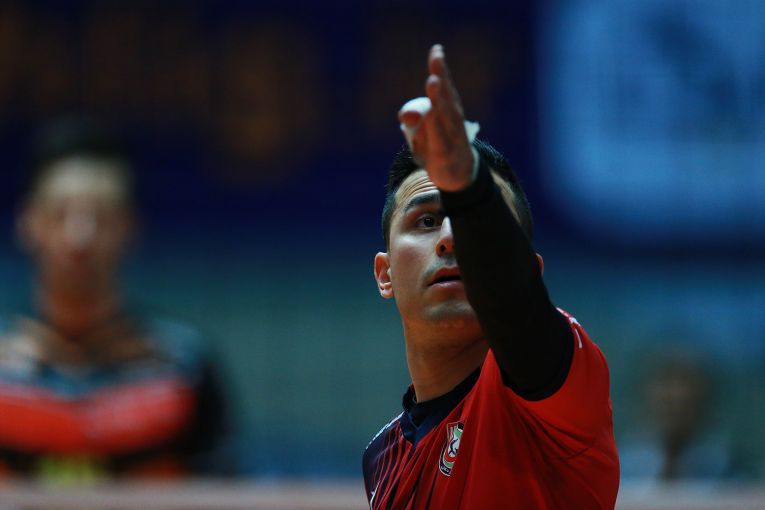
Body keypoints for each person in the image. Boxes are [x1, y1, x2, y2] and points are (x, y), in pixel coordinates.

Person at [363, 45, 619, 509]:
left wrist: (470, 186)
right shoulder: (382, 458)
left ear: (530, 272)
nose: (450, 238)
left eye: (472, 224)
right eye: (426, 221)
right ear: (385, 275)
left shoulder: (560, 386)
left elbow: (515, 303)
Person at [0, 119, 229, 481]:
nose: (80, 238)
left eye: (101, 216)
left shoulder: (182, 366)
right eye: (60, 214)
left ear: (129, 226)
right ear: (29, 223)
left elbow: (226, 491)